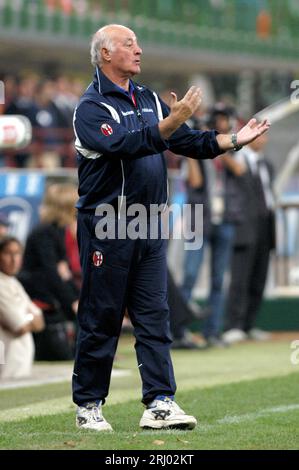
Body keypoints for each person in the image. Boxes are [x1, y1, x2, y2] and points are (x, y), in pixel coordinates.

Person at [72, 23, 270, 432]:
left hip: (150, 221)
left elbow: (187, 141)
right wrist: (172, 120)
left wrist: (234, 139)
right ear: (106, 54)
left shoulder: (146, 97)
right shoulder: (91, 107)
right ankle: (89, 403)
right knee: (102, 315)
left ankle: (160, 402)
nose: (139, 50)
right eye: (129, 44)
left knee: (155, 314)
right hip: (108, 223)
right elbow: (126, 145)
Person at [181, 105, 246, 347]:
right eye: (216, 120)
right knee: (190, 274)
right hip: (198, 216)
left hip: (225, 217)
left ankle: (212, 331)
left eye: (224, 120)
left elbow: (239, 169)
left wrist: (218, 145)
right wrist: (195, 146)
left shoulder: (233, 147)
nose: (221, 124)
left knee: (219, 279)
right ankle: (179, 331)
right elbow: (195, 180)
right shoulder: (193, 146)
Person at [223, 134, 275, 343]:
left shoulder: (267, 164)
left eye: (264, 135)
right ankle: (233, 325)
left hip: (266, 223)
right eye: (258, 134)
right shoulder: (237, 159)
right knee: (240, 277)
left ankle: (249, 324)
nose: (261, 139)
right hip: (244, 225)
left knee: (259, 277)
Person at [19, 183, 79, 360]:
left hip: (48, 287)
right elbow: (52, 273)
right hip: (37, 291)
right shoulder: (45, 232)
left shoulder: (57, 231)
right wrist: (72, 301)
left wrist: (76, 297)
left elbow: (63, 271)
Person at [0, 236, 44, 379]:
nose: (13, 259)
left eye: (17, 253)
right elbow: (20, 327)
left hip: (19, 368)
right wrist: (30, 318)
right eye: (7, 253)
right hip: (6, 370)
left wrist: (27, 318)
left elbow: (41, 321)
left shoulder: (13, 282)